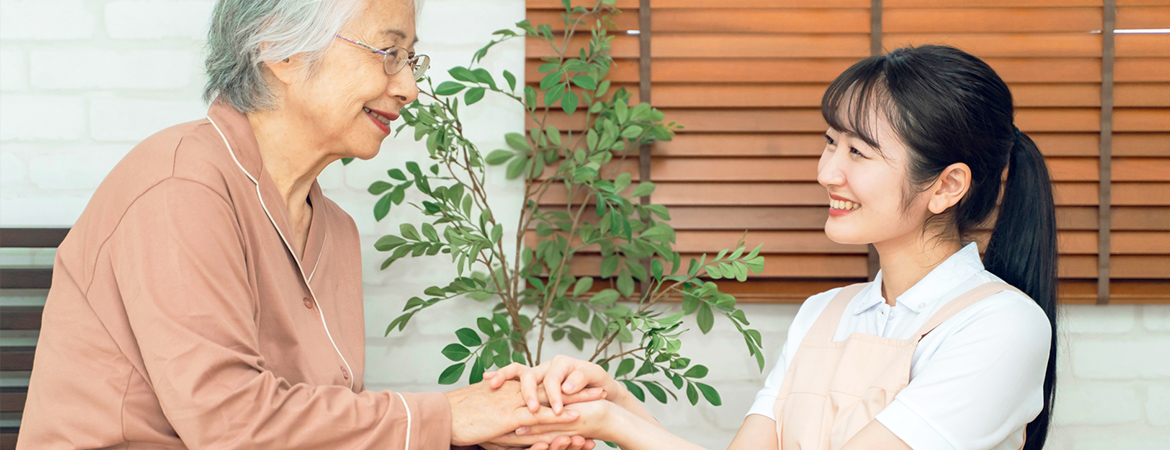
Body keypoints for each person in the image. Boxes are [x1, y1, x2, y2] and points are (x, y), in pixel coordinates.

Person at [17, 0, 598, 448]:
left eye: (411, 59)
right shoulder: (181, 187)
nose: (410, 88)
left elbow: (316, 429)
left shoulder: (336, 230)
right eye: (388, 52)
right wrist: (446, 418)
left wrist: (479, 431)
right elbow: (231, 426)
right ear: (282, 50)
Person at [483, 44, 1059, 450]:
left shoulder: (1001, 327)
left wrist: (613, 421)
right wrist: (609, 406)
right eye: (830, 143)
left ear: (947, 186)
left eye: (858, 153)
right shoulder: (823, 314)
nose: (827, 171)